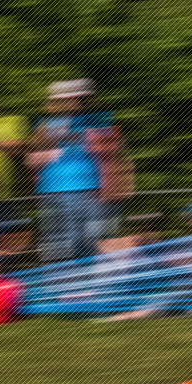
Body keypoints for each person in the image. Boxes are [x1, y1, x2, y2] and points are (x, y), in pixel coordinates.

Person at [28, 79, 130, 262]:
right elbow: (32, 155)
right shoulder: (45, 123)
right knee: (59, 250)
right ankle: (66, 278)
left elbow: (116, 152)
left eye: (78, 98)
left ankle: (96, 278)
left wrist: (119, 185)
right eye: (65, 99)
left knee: (97, 246)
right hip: (54, 194)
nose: (73, 103)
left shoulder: (101, 119)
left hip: (95, 192)